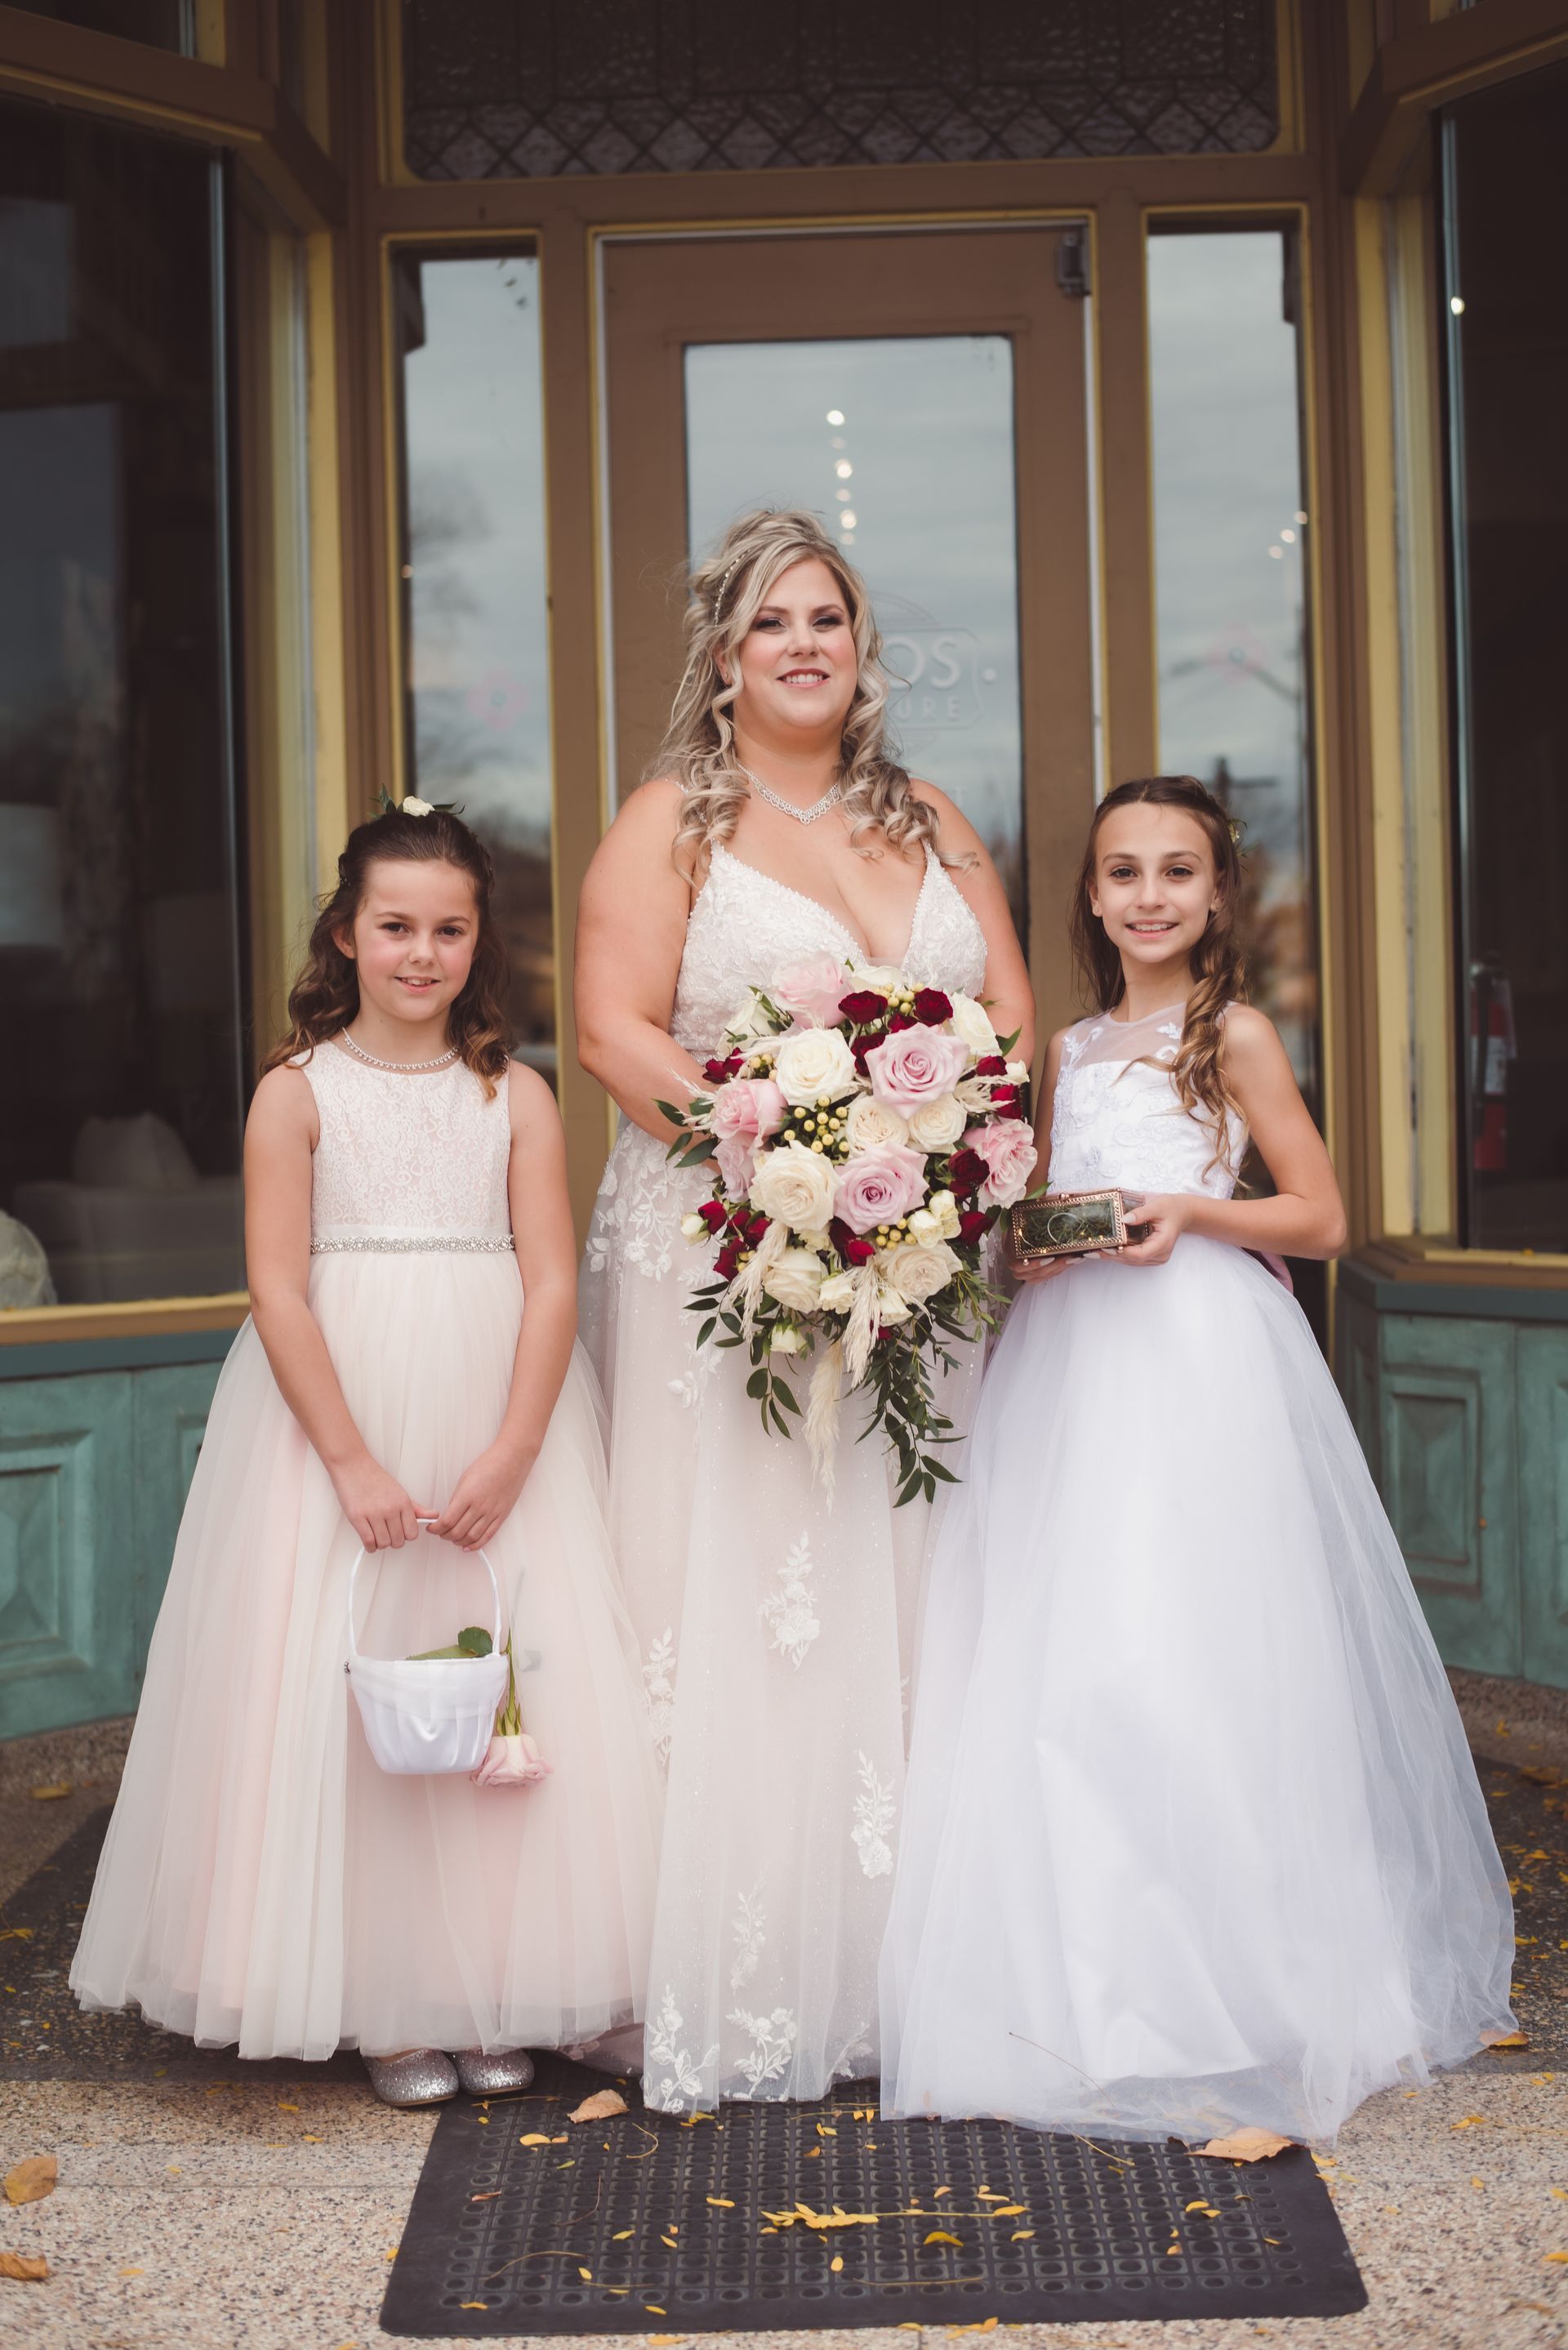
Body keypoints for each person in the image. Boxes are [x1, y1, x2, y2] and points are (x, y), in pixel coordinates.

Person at [880, 774, 1515, 2146]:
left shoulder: (1232, 1035)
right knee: (1081, 1649)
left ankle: (1241, 1976)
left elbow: (1324, 1212)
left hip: (1198, 1358)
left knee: (1201, 1646)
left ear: (1219, 894)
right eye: (1124, 872)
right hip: (1073, 1363)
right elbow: (1047, 1195)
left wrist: (1192, 1211)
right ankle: (1086, 1979)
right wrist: (1029, 1238)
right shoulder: (1071, 1044)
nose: (1150, 895)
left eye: (1178, 871)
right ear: (1091, 896)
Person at [72, 804, 661, 2107]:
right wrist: (347, 1460)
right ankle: (382, 2000)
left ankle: (493, 1979)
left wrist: (515, 1447)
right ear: (346, 933)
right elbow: (279, 1290)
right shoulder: (297, 1092)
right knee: (351, 1690)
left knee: (499, 1684)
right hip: (336, 1417)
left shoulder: (515, 1092)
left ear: (476, 944)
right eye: (395, 926)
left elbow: (553, 1280)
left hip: (492, 1405)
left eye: (449, 929)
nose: (421, 953)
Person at [575, 509, 1033, 2108]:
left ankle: (916, 1959)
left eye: (827, 615)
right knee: (751, 1585)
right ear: (722, 656)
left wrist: (916, 1165)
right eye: (771, 621)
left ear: (863, 644)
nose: (803, 644)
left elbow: (1014, 1022)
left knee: (904, 1579)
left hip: (916, 1264)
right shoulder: (669, 826)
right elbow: (614, 1032)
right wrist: (787, 1157)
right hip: (729, 1258)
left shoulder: (937, 817)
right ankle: (746, 1964)